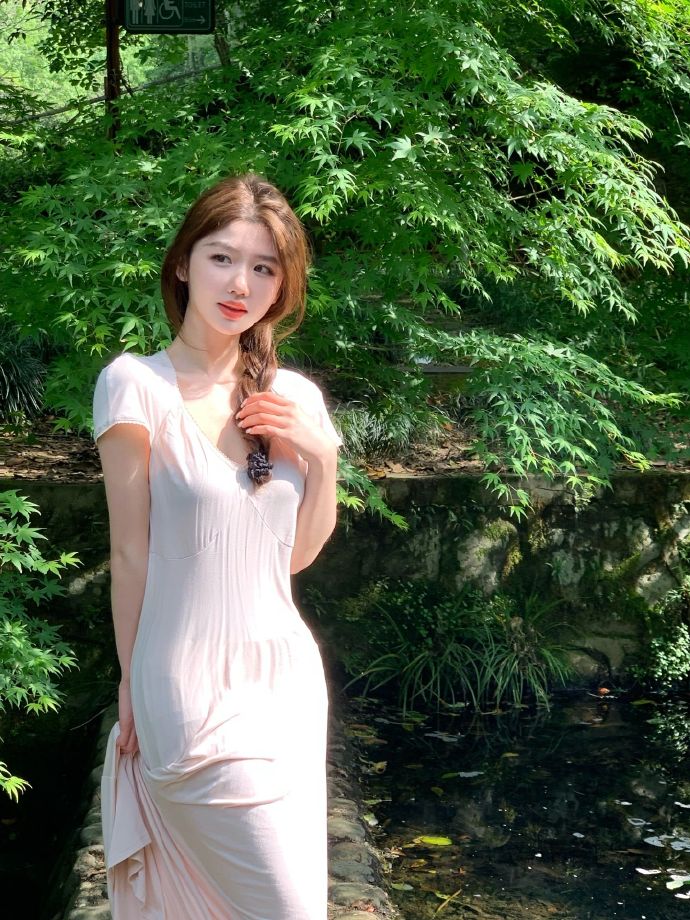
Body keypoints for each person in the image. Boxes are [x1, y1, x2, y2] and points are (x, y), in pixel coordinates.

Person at [92, 173, 343, 919]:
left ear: (282, 287)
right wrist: (129, 681)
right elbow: (129, 554)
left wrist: (322, 457)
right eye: (222, 258)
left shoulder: (294, 399)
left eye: (264, 267)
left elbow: (293, 558)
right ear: (183, 263)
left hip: (285, 686)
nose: (241, 284)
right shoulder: (134, 384)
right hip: (186, 687)